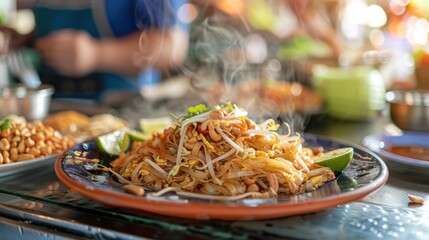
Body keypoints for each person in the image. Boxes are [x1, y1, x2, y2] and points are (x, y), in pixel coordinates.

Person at [3, 0, 189, 103]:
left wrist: (95, 55)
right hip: (51, 106)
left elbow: (171, 47)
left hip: (119, 108)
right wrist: (23, 40)